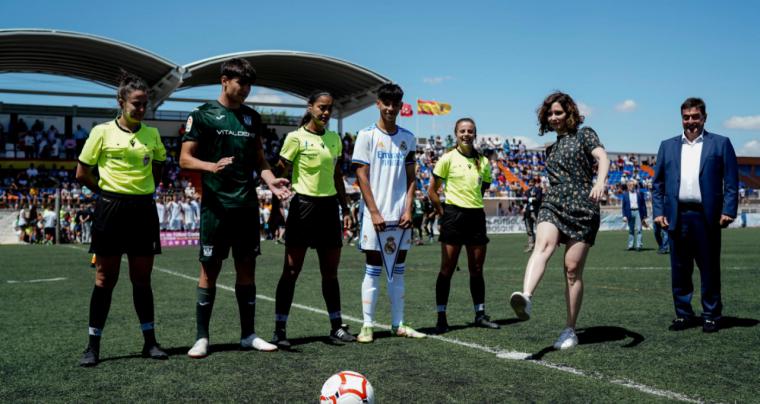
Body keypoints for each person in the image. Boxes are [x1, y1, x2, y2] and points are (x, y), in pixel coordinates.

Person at [180, 58, 290, 358]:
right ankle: (202, 338)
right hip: (216, 208)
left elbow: (259, 160)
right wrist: (210, 166)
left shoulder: (252, 118)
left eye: (249, 85)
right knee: (209, 272)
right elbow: (185, 158)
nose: (245, 90)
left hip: (245, 206)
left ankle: (248, 335)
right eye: (241, 83)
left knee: (247, 270)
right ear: (224, 80)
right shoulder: (202, 115)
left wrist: (271, 182)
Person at [75, 71, 168, 366]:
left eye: (145, 105)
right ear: (121, 101)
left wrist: (140, 192)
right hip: (110, 210)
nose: (141, 110)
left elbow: (158, 170)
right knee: (104, 279)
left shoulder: (152, 135)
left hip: (143, 211)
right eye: (136, 104)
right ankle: (92, 346)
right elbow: (82, 173)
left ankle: (150, 342)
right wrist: (107, 193)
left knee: (142, 280)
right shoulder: (101, 132)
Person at [509, 92, 609, 350]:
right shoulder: (550, 149)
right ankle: (527, 297)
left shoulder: (585, 134)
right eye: (550, 114)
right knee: (544, 245)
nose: (554, 118)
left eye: (558, 113)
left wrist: (600, 181)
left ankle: (570, 330)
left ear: (569, 114)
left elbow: (602, 157)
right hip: (553, 202)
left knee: (572, 269)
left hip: (582, 207)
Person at [271, 90, 355, 348]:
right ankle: (280, 330)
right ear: (310, 107)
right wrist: (276, 209)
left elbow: (338, 175)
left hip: (329, 208)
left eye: (329, 108)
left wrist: (345, 208)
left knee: (330, 272)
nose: (325, 113)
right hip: (303, 207)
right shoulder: (295, 138)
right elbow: (278, 175)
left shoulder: (334, 138)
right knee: (291, 271)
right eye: (321, 107)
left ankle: (336, 327)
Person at [652, 97, 738, 333]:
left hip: (706, 216)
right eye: (686, 117)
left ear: (704, 118)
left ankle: (711, 315)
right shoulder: (667, 145)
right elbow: (657, 183)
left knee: (709, 268)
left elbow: (731, 181)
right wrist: (658, 212)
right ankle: (683, 314)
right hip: (677, 216)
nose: (690, 121)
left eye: (695, 117)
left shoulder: (720, 144)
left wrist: (729, 210)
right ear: (681, 118)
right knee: (679, 268)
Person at [352, 83, 426, 343]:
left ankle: (398, 324)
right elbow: (361, 176)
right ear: (378, 104)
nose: (391, 108)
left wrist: (408, 209)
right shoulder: (366, 135)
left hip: (400, 216)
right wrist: (373, 212)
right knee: (373, 268)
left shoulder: (407, 137)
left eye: (396, 104)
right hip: (376, 216)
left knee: (398, 270)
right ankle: (368, 325)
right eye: (387, 103)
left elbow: (411, 177)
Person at [428, 118, 500, 334]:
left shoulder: (484, 162)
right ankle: (441, 317)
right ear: (456, 133)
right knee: (447, 268)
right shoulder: (447, 158)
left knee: (476, 269)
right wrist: (443, 213)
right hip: (453, 215)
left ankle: (480, 314)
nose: (466, 134)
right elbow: (432, 190)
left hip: (476, 216)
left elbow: (483, 188)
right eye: (462, 131)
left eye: (470, 131)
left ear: (475, 133)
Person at [621, 179, 648, 251]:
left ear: (634, 186)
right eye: (629, 185)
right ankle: (630, 246)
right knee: (631, 230)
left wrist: (645, 215)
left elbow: (643, 205)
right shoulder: (625, 195)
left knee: (639, 229)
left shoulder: (639, 193)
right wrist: (624, 216)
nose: (631, 186)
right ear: (627, 186)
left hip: (638, 212)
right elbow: (623, 206)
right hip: (629, 212)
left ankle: (639, 245)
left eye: (632, 185)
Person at [523, 178, 542, 252]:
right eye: (529, 183)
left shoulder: (538, 190)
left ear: (534, 183)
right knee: (529, 230)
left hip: (536, 212)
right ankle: (531, 246)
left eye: (531, 182)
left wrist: (529, 199)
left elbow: (538, 199)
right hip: (528, 212)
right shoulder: (527, 191)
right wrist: (531, 199)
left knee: (539, 229)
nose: (530, 184)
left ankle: (540, 246)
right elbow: (524, 200)